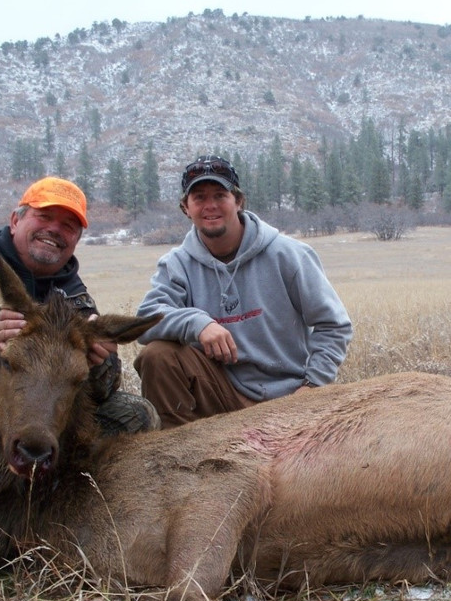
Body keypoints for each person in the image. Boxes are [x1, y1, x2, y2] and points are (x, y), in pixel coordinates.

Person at [0, 176, 160, 566]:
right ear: (15, 220)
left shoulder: (73, 298)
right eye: (45, 217)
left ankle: (81, 500)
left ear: (75, 240)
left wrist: (100, 361)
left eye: (68, 226)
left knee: (137, 415)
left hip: (51, 427)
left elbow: (102, 392)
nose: (55, 231)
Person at [134, 155, 352, 427]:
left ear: (238, 201)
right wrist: (197, 323)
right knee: (157, 356)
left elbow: (334, 325)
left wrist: (312, 386)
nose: (210, 206)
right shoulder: (177, 264)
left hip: (290, 397)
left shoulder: (289, 254)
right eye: (199, 197)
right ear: (185, 208)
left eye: (220, 195)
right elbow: (145, 320)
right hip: (222, 394)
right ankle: (180, 458)